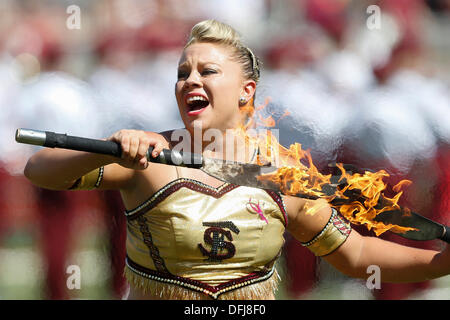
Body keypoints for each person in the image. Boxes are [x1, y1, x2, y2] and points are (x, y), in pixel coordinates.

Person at [23, 19, 450, 300]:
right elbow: (39, 171)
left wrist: (440, 262)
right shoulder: (149, 154)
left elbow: (356, 255)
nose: (190, 80)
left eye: (207, 71)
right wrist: (107, 144)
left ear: (246, 91)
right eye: (182, 72)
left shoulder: (282, 170)